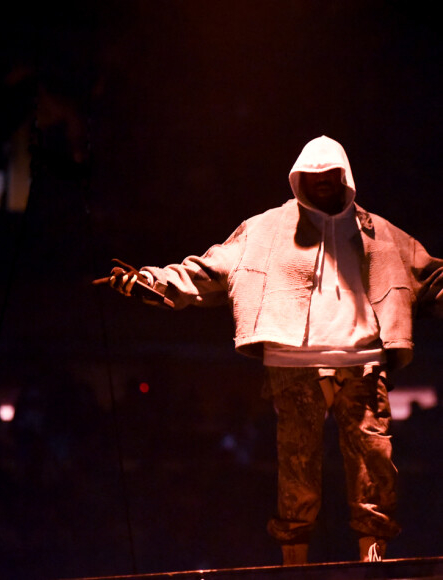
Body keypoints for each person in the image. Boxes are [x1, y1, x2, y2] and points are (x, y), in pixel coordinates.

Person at [104, 136, 443, 565]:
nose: (321, 183)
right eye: (313, 176)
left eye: (329, 176)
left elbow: (431, 275)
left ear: (346, 178)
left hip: (362, 362)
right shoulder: (265, 230)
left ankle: (371, 557)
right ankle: (294, 560)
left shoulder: (380, 233)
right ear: (299, 178)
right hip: (292, 362)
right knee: (296, 466)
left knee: (374, 463)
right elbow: (208, 268)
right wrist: (152, 281)